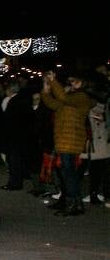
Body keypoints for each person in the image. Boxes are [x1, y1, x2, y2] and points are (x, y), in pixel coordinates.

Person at [41, 70, 95, 216]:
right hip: (64, 141)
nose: (71, 84)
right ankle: (74, 203)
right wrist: (46, 90)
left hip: (71, 141)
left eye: (74, 81)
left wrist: (53, 81)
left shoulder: (82, 97)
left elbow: (63, 97)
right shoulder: (70, 99)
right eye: (70, 81)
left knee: (69, 175)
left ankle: (73, 205)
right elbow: (53, 104)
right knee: (67, 175)